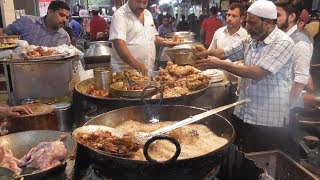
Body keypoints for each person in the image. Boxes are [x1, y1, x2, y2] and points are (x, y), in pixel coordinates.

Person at [193, 0, 295, 153]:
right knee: (240, 154)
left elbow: (258, 72)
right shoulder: (252, 39)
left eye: (252, 23)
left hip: (267, 117)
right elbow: (225, 52)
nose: (247, 27)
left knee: (260, 161)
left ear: (267, 23)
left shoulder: (283, 42)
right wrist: (204, 53)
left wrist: (221, 65)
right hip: (245, 110)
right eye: (247, 22)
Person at [109, 0, 175, 75]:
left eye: (145, 2)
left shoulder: (148, 14)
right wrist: (136, 64)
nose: (141, 6)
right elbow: (119, 44)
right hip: (126, 72)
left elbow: (153, 37)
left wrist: (167, 42)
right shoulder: (120, 15)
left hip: (147, 70)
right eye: (138, 1)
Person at [275, 1, 313, 109]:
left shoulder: (300, 42)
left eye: (278, 15)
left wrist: (288, 103)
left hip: (285, 107)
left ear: (291, 17)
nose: (273, 19)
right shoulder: (279, 37)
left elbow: (301, 80)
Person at [1, 1, 71, 47]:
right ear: (50, 12)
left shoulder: (64, 37)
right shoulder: (26, 22)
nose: (64, 19)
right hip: (21, 67)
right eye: (61, 15)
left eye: (67, 17)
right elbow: (3, 32)